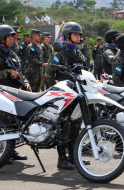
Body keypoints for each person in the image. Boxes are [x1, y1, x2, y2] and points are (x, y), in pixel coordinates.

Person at [46, 21, 87, 170]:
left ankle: (74, 157)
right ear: (68, 36)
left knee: (75, 126)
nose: (78, 37)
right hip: (62, 96)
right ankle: (62, 159)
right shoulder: (60, 54)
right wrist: (55, 93)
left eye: (79, 35)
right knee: (62, 127)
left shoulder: (78, 52)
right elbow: (50, 74)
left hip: (77, 95)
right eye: (75, 34)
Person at [0, 25, 31, 164]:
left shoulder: (12, 54)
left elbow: (19, 70)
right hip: (0, 95)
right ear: (1, 39)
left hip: (14, 94)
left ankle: (10, 151)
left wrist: (26, 83)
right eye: (9, 37)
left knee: (13, 124)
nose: (12, 39)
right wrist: (7, 72)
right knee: (1, 124)